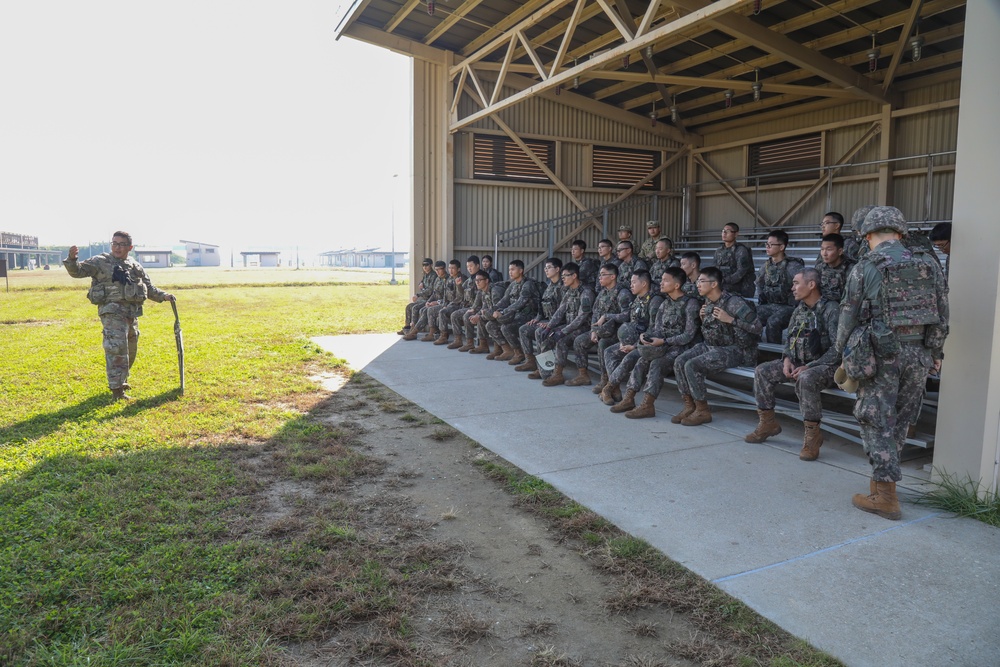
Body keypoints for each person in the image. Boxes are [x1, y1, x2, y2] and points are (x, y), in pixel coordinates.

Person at [837, 206, 949, 520]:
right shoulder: (929, 263)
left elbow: (848, 315)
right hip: (919, 354)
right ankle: (881, 486)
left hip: (881, 353)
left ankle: (885, 497)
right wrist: (935, 355)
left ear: (867, 235)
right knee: (900, 419)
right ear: (900, 233)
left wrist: (842, 351)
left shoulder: (865, 266)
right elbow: (942, 313)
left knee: (874, 418)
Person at [62, 231, 175, 401]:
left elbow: (149, 289)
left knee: (130, 349)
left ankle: (121, 380)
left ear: (130, 247)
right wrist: (72, 260)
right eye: (114, 243)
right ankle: (117, 391)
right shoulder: (100, 261)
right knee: (116, 348)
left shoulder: (135, 266)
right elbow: (77, 271)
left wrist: (164, 295)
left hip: (131, 313)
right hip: (112, 312)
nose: (117, 247)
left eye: (121, 244)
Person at [745, 268, 841, 460]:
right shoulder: (799, 309)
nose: (792, 288)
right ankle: (767, 422)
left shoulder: (832, 310)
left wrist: (811, 365)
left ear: (811, 285)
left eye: (796, 283)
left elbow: (838, 348)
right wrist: (787, 359)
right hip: (798, 362)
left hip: (827, 366)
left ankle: (813, 437)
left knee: (806, 378)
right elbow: (790, 339)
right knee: (763, 370)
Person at [672, 267, 761, 425]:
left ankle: (702, 410)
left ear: (714, 284)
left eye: (701, 281)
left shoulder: (733, 303)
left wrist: (731, 320)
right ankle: (689, 405)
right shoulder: (708, 301)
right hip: (711, 345)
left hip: (735, 349)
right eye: (697, 281)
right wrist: (701, 317)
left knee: (692, 365)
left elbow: (757, 327)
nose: (697, 284)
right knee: (679, 361)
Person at [611, 267, 700, 419]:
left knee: (657, 363)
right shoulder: (665, 304)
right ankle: (629, 398)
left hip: (682, 346)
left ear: (677, 285)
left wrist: (664, 341)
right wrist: (647, 337)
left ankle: (648, 405)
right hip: (662, 344)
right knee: (642, 360)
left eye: (666, 280)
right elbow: (656, 328)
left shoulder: (690, 304)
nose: (661, 283)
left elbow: (689, 335)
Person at [600, 270, 654, 405]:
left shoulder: (654, 301)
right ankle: (616, 389)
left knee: (629, 358)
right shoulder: (637, 300)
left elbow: (653, 330)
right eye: (630, 282)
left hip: (645, 344)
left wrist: (634, 345)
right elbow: (630, 322)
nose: (631, 285)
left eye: (634, 282)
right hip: (631, 341)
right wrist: (623, 341)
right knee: (609, 351)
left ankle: (608, 388)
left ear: (644, 284)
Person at [536, 262, 594, 386]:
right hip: (570, 326)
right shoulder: (569, 291)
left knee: (561, 340)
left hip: (584, 327)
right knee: (547, 336)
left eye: (565, 276)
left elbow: (581, 318)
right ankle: (546, 371)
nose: (563, 279)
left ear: (574, 276)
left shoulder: (586, 292)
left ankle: (567, 374)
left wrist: (563, 332)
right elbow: (560, 311)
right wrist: (549, 326)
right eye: (562, 277)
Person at [568, 263, 622, 388]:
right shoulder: (602, 293)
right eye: (600, 275)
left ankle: (606, 379)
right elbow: (595, 313)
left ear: (613, 276)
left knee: (603, 344)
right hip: (600, 330)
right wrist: (593, 331)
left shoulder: (622, 292)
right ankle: (583, 375)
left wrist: (608, 316)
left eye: (603, 275)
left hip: (616, 332)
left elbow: (627, 315)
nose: (600, 277)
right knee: (579, 341)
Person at [755, 230, 804, 343]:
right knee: (750, 316)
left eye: (771, 244)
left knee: (773, 322)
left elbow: (803, 284)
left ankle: (773, 355)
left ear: (781, 247)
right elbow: (759, 283)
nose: (767, 247)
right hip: (770, 305)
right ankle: (756, 349)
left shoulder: (793, 266)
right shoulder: (765, 266)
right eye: (766, 244)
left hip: (789, 307)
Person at [515, 258, 564, 372]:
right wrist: (537, 319)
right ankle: (530, 361)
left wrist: (548, 324)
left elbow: (563, 311)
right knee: (524, 329)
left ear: (557, 269)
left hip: (559, 322)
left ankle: (546, 368)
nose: (546, 270)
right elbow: (542, 307)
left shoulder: (563, 287)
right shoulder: (548, 286)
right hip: (547, 321)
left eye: (549, 268)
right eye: (545, 268)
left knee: (540, 332)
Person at [486, 260, 538, 361]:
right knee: (490, 325)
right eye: (509, 269)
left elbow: (520, 302)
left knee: (506, 327)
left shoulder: (527, 284)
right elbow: (505, 300)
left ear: (521, 271)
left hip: (529, 315)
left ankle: (520, 354)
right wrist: (493, 309)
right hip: (516, 315)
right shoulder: (513, 284)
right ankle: (507, 350)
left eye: (513, 269)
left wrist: (503, 312)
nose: (510, 272)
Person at [404, 261, 447, 340]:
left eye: (439, 270)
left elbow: (448, 297)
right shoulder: (438, 279)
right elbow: (434, 293)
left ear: (444, 269)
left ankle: (425, 332)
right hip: (435, 302)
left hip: (443, 303)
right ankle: (413, 331)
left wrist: (437, 302)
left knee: (427, 310)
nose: (437, 271)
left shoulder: (447, 279)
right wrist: (429, 301)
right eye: (436, 269)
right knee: (424, 309)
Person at [447, 256, 482, 350]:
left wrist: (473, 308)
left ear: (478, 266)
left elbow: (480, 295)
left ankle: (470, 342)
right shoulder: (469, 280)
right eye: (467, 266)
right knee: (454, 314)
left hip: (479, 307)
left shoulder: (481, 278)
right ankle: (458, 340)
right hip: (469, 306)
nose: (469, 268)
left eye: (471, 266)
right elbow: (462, 294)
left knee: (466, 315)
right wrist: (458, 286)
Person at [713, 222, 755, 298]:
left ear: (736, 234)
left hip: (739, 288)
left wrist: (724, 281)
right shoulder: (718, 251)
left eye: (728, 231)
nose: (724, 233)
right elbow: (714, 269)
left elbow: (741, 272)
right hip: (723, 287)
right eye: (723, 231)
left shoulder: (741, 250)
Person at [432, 260, 468, 344]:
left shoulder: (462, 279)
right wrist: (444, 304)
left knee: (442, 312)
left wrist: (448, 306)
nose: (450, 270)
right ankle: (436, 333)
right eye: (449, 268)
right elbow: (445, 294)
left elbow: (460, 297)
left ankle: (445, 336)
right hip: (449, 304)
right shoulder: (448, 279)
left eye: (453, 268)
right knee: (433, 310)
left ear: (458, 269)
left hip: (459, 305)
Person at [399, 258, 434, 335]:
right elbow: (422, 284)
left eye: (427, 265)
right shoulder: (426, 275)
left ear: (431, 265)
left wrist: (418, 295)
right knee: (409, 306)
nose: (425, 267)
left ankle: (413, 330)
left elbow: (430, 290)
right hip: (424, 299)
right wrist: (420, 284)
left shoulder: (433, 276)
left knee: (415, 308)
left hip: (430, 300)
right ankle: (407, 327)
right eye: (423, 265)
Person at [816, 233, 854, 302]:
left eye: (829, 249)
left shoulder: (851, 269)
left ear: (840, 251)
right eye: (822, 249)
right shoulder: (820, 268)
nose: (824, 254)